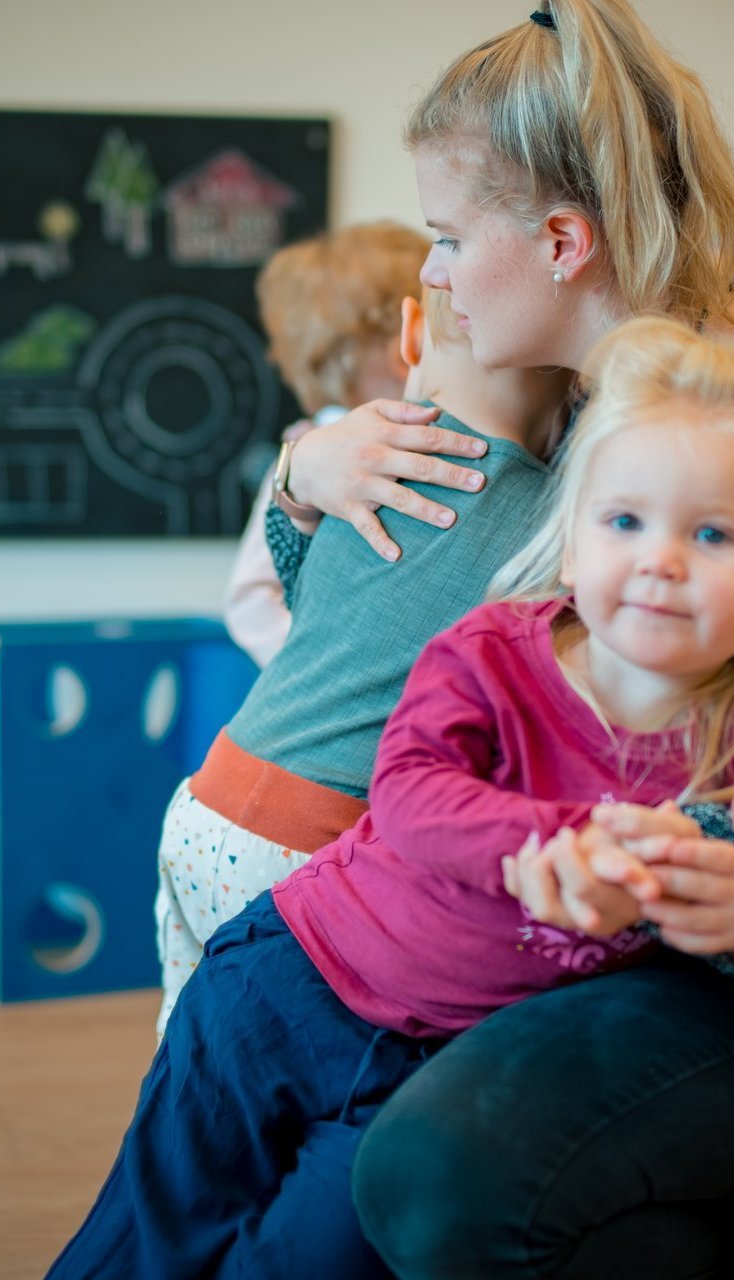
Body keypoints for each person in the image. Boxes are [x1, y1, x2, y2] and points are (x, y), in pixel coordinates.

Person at [269, 6, 734, 1277]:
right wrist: (303, 478)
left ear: (562, 243)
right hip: (585, 903)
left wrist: (682, 875)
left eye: (447, 238)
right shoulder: (571, 386)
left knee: (423, 1172)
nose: (430, 275)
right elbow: (369, 628)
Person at [49, 316, 734, 1279]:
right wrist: (558, 840)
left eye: (712, 534)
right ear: (573, 543)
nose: (661, 560)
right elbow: (410, 792)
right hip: (287, 985)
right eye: (624, 522)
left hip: (428, 1070)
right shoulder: (496, 650)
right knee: (146, 1239)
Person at [155, 285, 570, 1034]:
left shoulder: (356, 458)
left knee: (194, 1048)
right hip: (322, 843)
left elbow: (298, 585)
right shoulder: (557, 521)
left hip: (206, 800)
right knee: (313, 1057)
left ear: (410, 335)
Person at [223, 221, 430, 665]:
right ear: (405, 345)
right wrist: (325, 669)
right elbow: (252, 599)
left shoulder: (442, 437)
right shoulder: (303, 456)